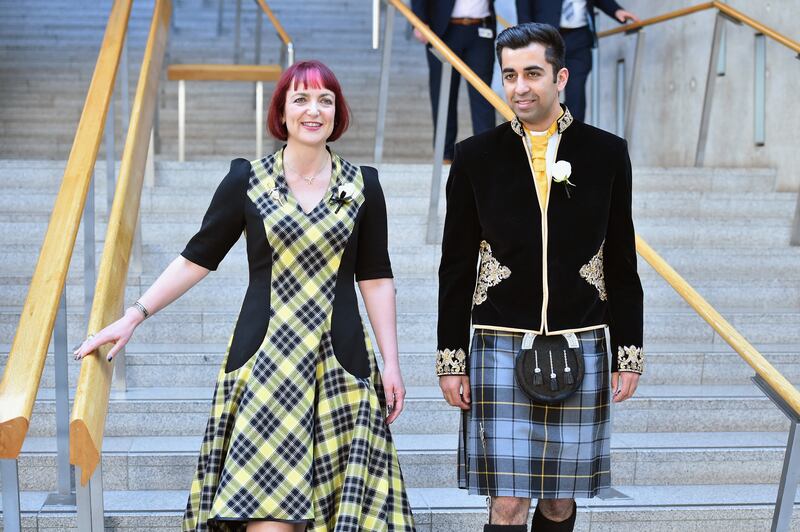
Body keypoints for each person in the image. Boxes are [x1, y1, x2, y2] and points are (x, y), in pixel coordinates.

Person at [74, 60, 415, 532]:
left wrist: (391, 362)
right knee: (267, 522)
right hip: (264, 366)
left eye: (325, 100)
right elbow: (197, 257)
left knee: (342, 517)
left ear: (338, 113)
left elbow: (375, 276)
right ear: (281, 111)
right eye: (301, 99)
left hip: (342, 364)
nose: (313, 110)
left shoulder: (364, 185)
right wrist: (134, 315)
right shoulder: (247, 180)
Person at [435, 23, 643, 531]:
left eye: (532, 73)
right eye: (509, 75)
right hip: (500, 343)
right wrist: (450, 359)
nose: (520, 87)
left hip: (582, 339)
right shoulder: (474, 157)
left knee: (558, 501)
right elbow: (456, 265)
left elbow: (621, 259)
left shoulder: (606, 153)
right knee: (507, 502)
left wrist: (629, 352)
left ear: (561, 76)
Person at [515, 0, 640, 122]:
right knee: (544, 92)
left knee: (576, 95)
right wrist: (527, 38)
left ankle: (572, 138)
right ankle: (542, 136)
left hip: (579, 38)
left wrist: (616, 10)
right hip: (545, 38)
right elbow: (524, 5)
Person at [411, 0, 497, 163]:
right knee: (443, 96)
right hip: (443, 31)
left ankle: (487, 157)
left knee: (483, 98)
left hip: (481, 29)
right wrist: (419, 20)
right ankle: (444, 156)